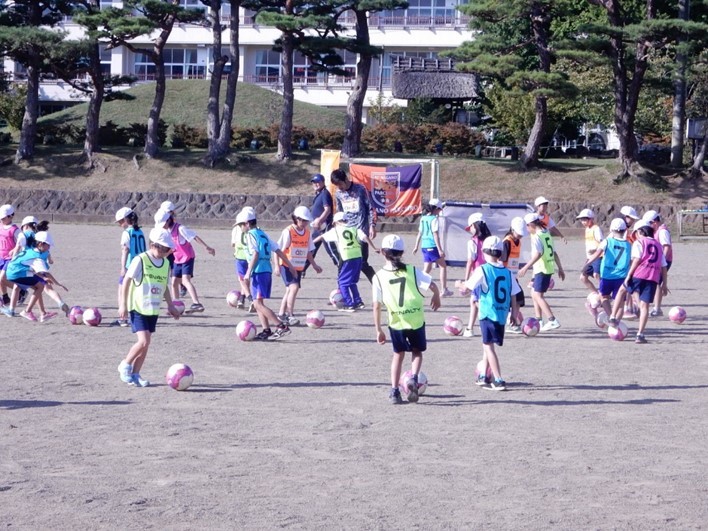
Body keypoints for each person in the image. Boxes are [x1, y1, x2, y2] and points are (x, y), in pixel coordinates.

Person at [373, 234, 441, 404]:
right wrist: (436, 295)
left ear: (382, 252)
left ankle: (395, 391)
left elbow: (376, 305)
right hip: (415, 318)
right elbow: (432, 284)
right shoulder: (411, 270)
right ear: (402, 253)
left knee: (398, 355)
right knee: (417, 352)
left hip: (396, 321)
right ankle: (414, 378)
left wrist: (378, 330)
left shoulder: (378, 277)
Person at [117, 227, 181, 387]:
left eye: (169, 250)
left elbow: (164, 286)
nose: (167, 253)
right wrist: (123, 305)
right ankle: (125, 365)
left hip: (152, 309)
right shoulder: (141, 259)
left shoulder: (165, 263)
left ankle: (136, 374)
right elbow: (126, 281)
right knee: (143, 341)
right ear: (153, 245)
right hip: (137, 307)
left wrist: (171, 304)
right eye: (165, 249)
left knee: (146, 344)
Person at [465, 236, 521, 391]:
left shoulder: (482, 269)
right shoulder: (508, 273)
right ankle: (483, 375)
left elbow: (467, 288)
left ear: (484, 252)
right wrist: (514, 315)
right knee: (487, 343)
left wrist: (459, 285)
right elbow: (514, 294)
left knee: (488, 347)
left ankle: (498, 379)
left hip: (487, 313)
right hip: (501, 315)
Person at [242, 209, 299, 340]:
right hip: (266, 270)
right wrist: (290, 265)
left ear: (246, 223)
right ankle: (266, 330)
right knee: (258, 302)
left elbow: (255, 254)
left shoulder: (250, 235)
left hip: (259, 271)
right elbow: (278, 250)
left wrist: (247, 273)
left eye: (241, 225)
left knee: (258, 304)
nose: (240, 228)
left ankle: (281, 326)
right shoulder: (262, 233)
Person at [608, 220, 668, 344]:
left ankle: (613, 317)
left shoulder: (639, 242)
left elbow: (636, 260)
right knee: (644, 306)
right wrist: (664, 284)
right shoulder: (658, 245)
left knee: (622, 290)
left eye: (637, 233)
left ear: (641, 232)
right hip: (653, 277)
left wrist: (629, 275)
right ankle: (640, 334)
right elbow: (663, 266)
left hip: (639, 274)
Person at [314, 211, 378, 312]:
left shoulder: (336, 230)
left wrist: (309, 244)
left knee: (342, 282)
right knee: (352, 281)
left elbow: (321, 237)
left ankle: (349, 304)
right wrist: (374, 248)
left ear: (337, 222)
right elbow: (365, 237)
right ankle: (358, 301)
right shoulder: (354, 229)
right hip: (358, 256)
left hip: (347, 257)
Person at [154, 208, 215, 313]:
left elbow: (194, 236)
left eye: (163, 223)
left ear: (169, 220)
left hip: (187, 258)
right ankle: (175, 304)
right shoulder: (166, 231)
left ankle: (197, 303)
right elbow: (171, 247)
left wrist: (207, 247)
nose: (162, 226)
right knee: (173, 282)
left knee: (185, 280)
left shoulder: (180, 228)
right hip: (177, 259)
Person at [2, 231, 69, 321]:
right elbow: (45, 273)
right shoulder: (37, 257)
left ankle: (11, 310)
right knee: (39, 287)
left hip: (12, 271)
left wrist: (43, 277)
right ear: (41, 244)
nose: (49, 247)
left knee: (19, 286)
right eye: (48, 245)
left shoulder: (30, 250)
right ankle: (27, 311)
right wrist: (58, 284)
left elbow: (34, 271)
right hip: (17, 273)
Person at [518, 212, 565, 331]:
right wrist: (560, 268)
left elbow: (538, 254)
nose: (527, 230)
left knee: (537, 295)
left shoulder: (537, 236)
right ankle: (539, 320)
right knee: (534, 293)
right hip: (547, 268)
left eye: (527, 227)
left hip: (542, 269)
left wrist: (525, 267)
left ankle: (552, 320)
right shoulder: (547, 234)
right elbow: (554, 252)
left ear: (531, 225)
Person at [275, 205, 322, 326]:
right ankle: (290, 315)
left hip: (298, 267)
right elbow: (277, 249)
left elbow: (308, 251)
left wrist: (314, 265)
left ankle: (281, 314)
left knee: (289, 290)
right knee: (294, 288)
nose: (304, 223)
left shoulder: (307, 232)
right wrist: (276, 266)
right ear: (296, 218)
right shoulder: (288, 231)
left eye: (306, 220)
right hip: (286, 265)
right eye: (302, 220)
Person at [330, 168, 377, 282]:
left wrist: (372, 225)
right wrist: (337, 225)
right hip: (347, 234)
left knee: (362, 263)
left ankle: (379, 286)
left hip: (361, 231)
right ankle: (341, 292)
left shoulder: (360, 189)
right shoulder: (338, 194)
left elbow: (371, 207)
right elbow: (339, 213)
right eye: (336, 186)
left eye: (340, 184)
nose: (339, 188)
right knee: (342, 263)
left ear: (346, 179)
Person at [583, 218, 631, 319]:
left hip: (607, 276)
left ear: (611, 229)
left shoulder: (607, 241)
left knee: (603, 297)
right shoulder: (628, 245)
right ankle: (616, 321)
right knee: (621, 302)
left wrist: (587, 263)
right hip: (621, 276)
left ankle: (611, 317)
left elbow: (597, 254)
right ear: (625, 230)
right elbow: (630, 261)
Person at [112, 207, 146, 327]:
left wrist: (123, 267)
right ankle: (134, 317)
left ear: (127, 219)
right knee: (134, 293)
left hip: (130, 265)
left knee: (122, 292)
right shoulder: (140, 232)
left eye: (121, 221)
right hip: (141, 265)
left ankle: (123, 318)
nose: (120, 224)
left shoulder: (127, 233)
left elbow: (125, 250)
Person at [413, 199, 453, 297]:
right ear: (436, 209)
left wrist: (416, 246)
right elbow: (435, 235)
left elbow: (420, 233)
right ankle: (443, 289)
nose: (440, 211)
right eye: (440, 209)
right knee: (443, 266)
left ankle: (416, 285)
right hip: (432, 246)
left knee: (427, 268)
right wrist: (440, 249)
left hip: (424, 246)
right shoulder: (434, 219)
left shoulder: (423, 218)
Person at [463, 213, 491, 337]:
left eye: (471, 228)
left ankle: (473, 327)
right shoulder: (490, 240)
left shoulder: (472, 242)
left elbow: (470, 261)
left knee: (476, 301)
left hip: (478, 275)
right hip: (490, 273)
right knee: (475, 300)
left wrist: (466, 280)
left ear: (474, 226)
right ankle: (471, 327)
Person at [304, 173, 339, 273]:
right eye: (314, 182)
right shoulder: (319, 194)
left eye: (318, 182)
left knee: (331, 249)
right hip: (317, 228)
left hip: (325, 226)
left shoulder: (324, 194)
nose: (315, 184)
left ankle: (342, 268)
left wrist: (319, 220)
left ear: (323, 182)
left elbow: (327, 209)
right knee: (312, 248)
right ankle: (302, 269)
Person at [500, 216, 528, 333]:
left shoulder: (518, 242)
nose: (521, 235)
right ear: (512, 229)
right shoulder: (507, 242)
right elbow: (502, 261)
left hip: (513, 277)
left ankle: (513, 321)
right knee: (511, 300)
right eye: (519, 233)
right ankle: (509, 323)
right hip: (506, 277)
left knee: (519, 300)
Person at [643, 210, 673, 317]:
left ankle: (657, 308)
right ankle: (656, 308)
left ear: (654, 222)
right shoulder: (656, 231)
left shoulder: (662, 231)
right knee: (656, 283)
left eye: (649, 224)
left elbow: (667, 246)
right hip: (659, 261)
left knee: (657, 283)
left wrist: (662, 261)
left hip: (664, 261)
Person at [231, 207, 256, 312]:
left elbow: (232, 243)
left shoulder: (236, 228)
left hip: (240, 256)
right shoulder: (255, 229)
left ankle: (250, 299)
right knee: (248, 279)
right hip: (251, 257)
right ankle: (242, 299)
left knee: (242, 280)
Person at [576, 208, 604, 295]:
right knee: (583, 277)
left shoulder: (596, 229)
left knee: (597, 275)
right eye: (582, 220)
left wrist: (596, 250)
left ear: (591, 219)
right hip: (589, 258)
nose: (583, 222)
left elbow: (602, 242)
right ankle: (596, 293)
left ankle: (604, 293)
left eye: (585, 219)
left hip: (598, 256)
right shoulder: (587, 229)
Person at [0, 204, 19, 307]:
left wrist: (14, 250)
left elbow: (21, 244)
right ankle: (5, 297)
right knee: (0, 280)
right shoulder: (0, 226)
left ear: (11, 216)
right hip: (1, 257)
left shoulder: (15, 230)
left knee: (2, 278)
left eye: (3, 218)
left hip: (10, 258)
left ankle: (20, 291)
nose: (1, 220)